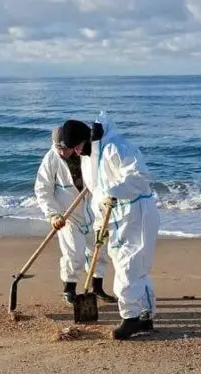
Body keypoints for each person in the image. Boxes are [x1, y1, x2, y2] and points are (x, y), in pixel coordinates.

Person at [61, 112, 160, 340]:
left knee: (129, 267)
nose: (76, 152)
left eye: (76, 146)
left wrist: (114, 191)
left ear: (86, 138)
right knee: (134, 268)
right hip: (113, 219)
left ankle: (131, 319)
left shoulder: (117, 147)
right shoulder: (88, 158)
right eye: (73, 149)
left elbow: (139, 177)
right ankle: (145, 316)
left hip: (136, 214)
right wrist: (99, 226)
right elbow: (97, 195)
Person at [35, 127, 116, 305]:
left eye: (65, 148)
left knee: (99, 250)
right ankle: (69, 289)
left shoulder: (87, 153)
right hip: (68, 216)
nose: (62, 152)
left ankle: (97, 287)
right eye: (59, 148)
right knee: (74, 254)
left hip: (95, 213)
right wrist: (53, 215)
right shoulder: (52, 159)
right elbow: (43, 190)